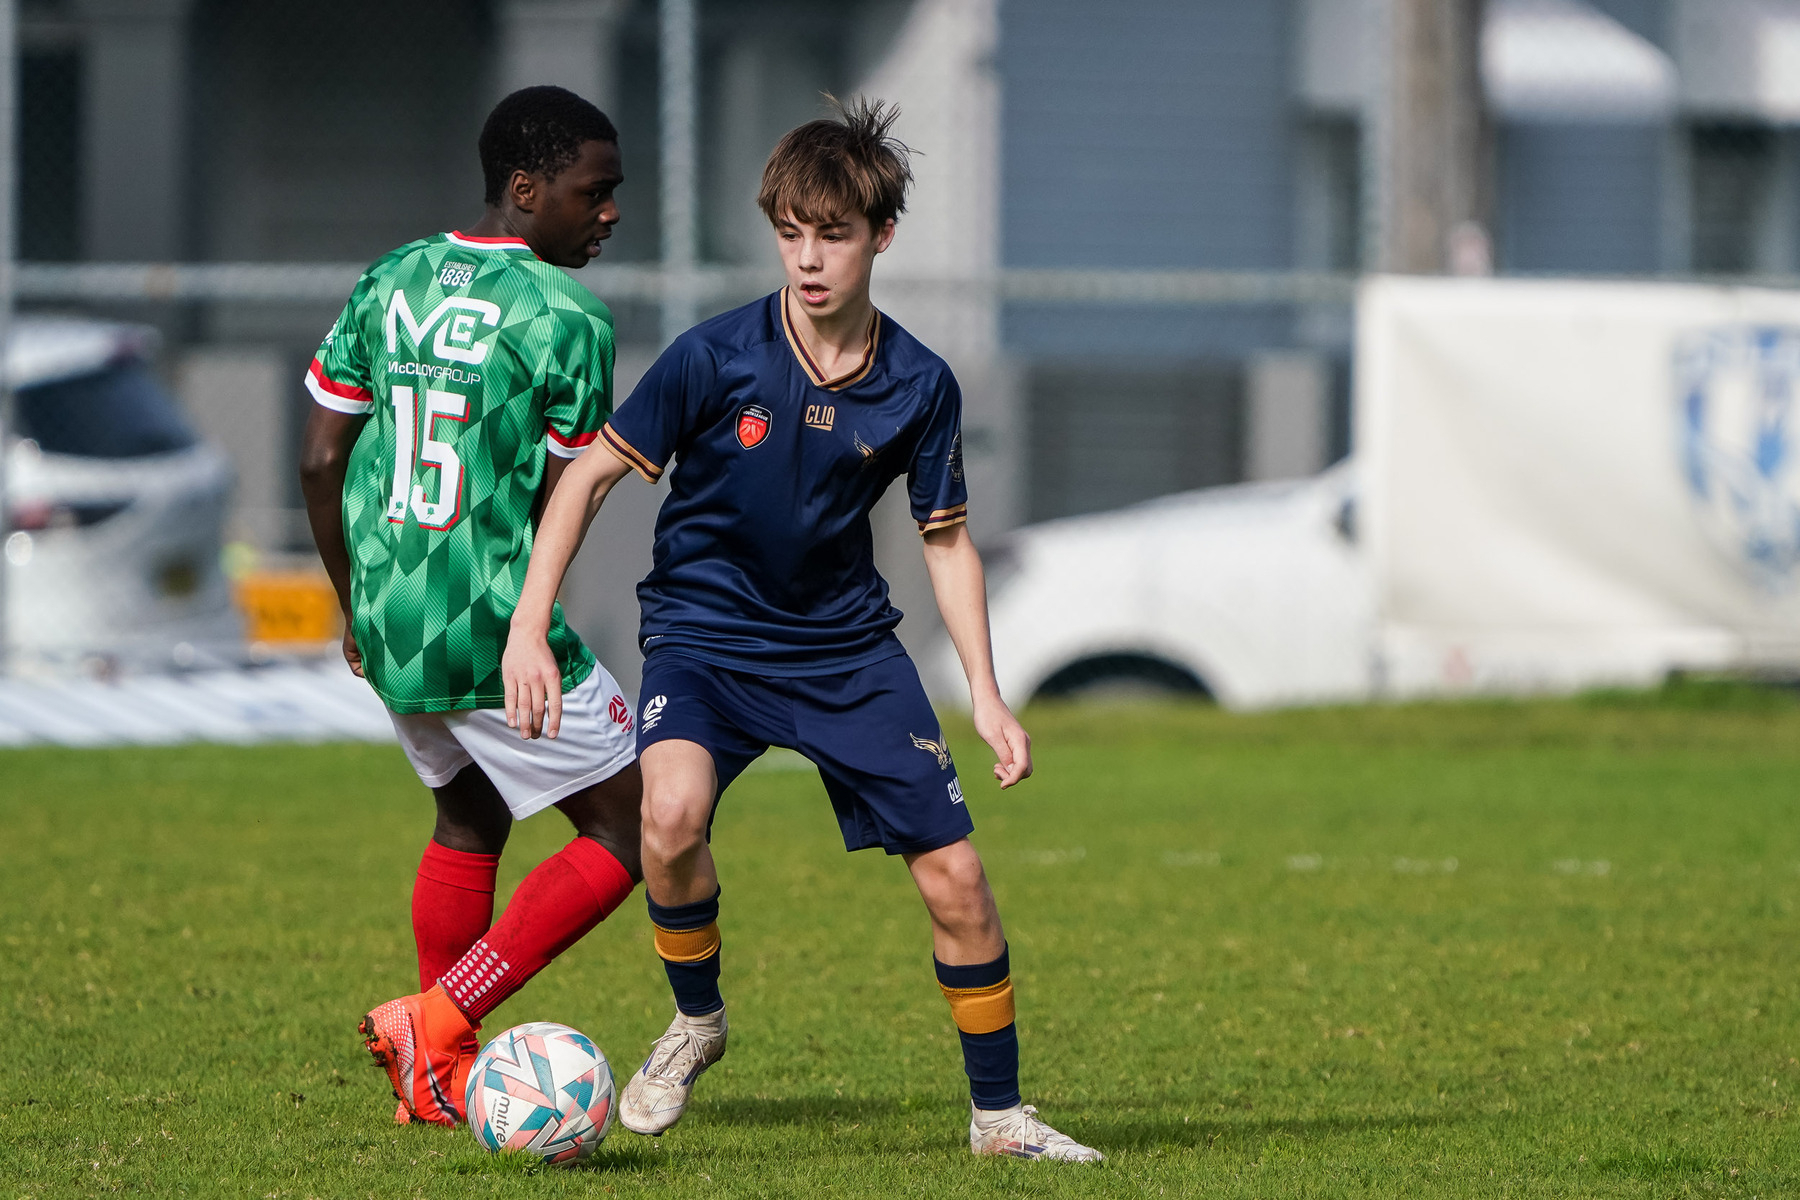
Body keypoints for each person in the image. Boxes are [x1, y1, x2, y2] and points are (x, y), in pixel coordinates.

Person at [502, 97, 1102, 1162]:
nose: (809, 259)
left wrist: (991, 695)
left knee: (957, 881)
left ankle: (1000, 1119)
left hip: (844, 653)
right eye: (791, 234)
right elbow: (591, 475)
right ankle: (697, 1021)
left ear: (881, 236)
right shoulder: (716, 355)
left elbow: (946, 542)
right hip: (706, 635)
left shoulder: (920, 384)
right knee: (670, 817)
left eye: (832, 235)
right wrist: (528, 625)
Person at [297, 85, 643, 1129]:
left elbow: (320, 457)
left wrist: (352, 602)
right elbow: (563, 493)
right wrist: (529, 622)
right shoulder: (567, 314)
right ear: (527, 188)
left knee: (470, 810)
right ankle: (439, 1019)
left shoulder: (389, 276)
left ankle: (433, 1083)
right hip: (487, 616)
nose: (611, 213)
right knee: (636, 829)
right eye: (596, 191)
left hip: (390, 612)